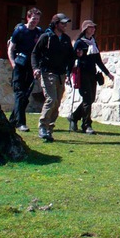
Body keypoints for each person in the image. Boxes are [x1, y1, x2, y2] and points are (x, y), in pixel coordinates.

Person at [31, 13, 75, 142]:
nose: (65, 26)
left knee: (57, 102)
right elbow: (35, 53)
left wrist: (69, 71)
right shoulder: (46, 37)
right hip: (47, 72)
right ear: (56, 24)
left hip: (61, 74)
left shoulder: (66, 39)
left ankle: (49, 130)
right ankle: (42, 127)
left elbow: (70, 57)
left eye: (66, 23)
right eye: (63, 23)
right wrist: (36, 68)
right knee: (51, 99)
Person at [69, 20, 114, 134]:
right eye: (90, 28)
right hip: (82, 73)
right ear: (85, 29)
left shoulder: (93, 42)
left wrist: (107, 73)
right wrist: (69, 73)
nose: (93, 29)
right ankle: (86, 125)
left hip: (92, 74)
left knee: (90, 99)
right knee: (87, 99)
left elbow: (98, 60)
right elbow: (73, 57)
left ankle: (74, 117)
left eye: (94, 27)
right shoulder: (79, 42)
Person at [6, 7, 43, 132]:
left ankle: (12, 121)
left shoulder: (39, 32)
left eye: (37, 19)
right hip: (19, 65)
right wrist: (13, 64)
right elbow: (11, 48)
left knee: (25, 95)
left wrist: (37, 67)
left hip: (31, 67)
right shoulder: (20, 31)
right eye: (33, 19)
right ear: (28, 17)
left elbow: (40, 51)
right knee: (19, 93)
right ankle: (21, 123)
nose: (35, 21)